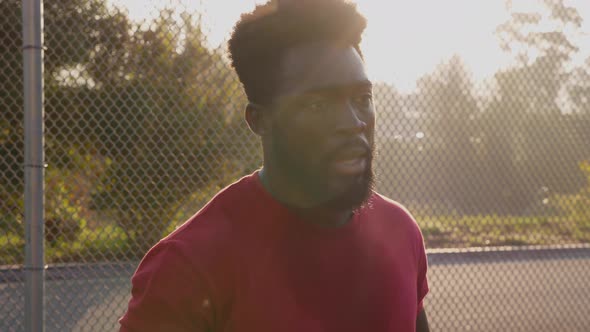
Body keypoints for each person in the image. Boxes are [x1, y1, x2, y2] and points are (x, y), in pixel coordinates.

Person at [119, 0, 430, 331]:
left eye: (362, 99)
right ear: (259, 120)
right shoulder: (187, 269)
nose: (353, 122)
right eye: (317, 104)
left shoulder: (401, 233)